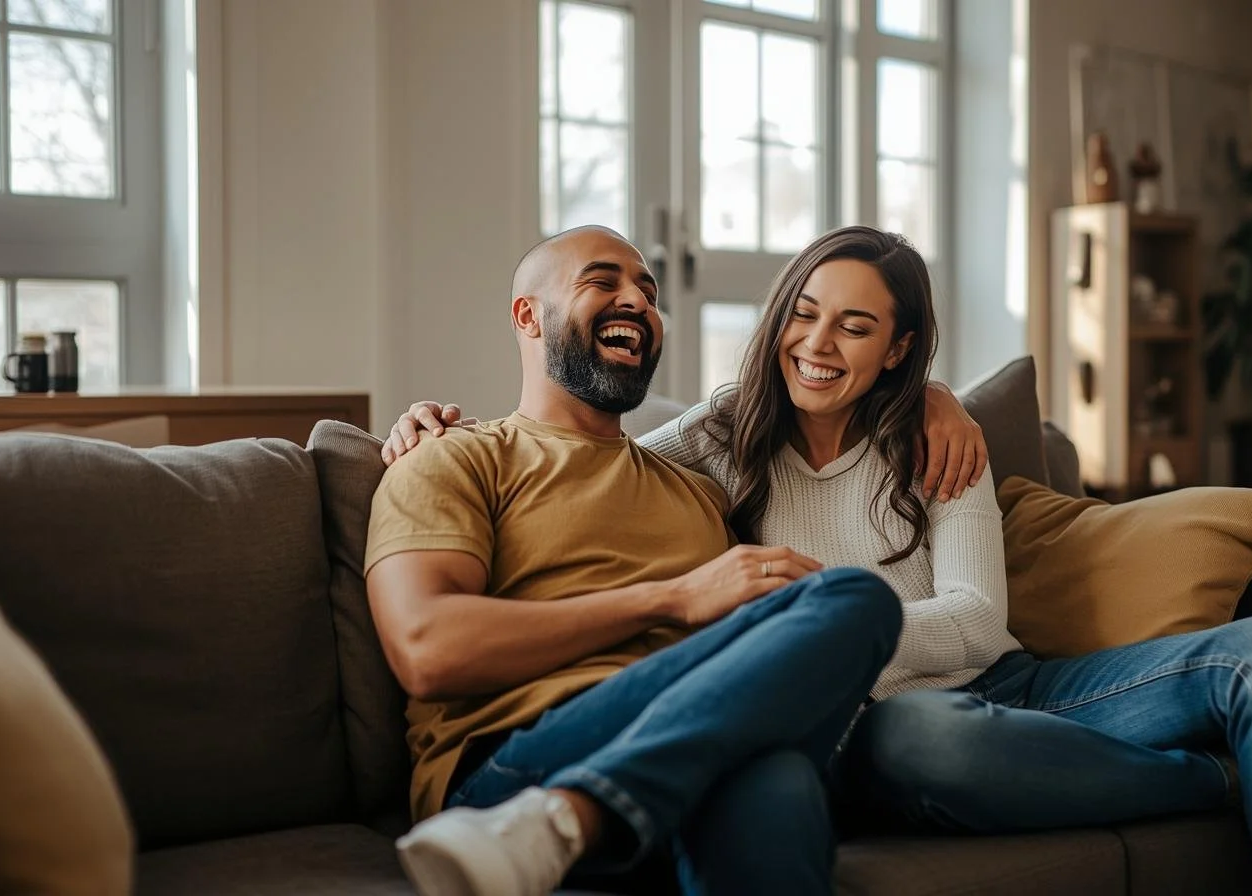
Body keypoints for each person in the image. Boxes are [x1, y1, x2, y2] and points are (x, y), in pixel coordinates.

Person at [388, 224, 1252, 892]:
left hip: (1004, 678)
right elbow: (579, 460)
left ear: (895, 347)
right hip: (888, 719)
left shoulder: (930, 439)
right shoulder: (710, 445)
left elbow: (975, 622)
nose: (819, 341)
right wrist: (427, 421)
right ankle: (1234, 780)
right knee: (878, 680)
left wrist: (937, 399)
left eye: (857, 325)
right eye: (803, 312)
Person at [364, 224, 907, 896]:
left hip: (689, 744)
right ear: (527, 315)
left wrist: (933, 400)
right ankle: (549, 815)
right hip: (514, 758)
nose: (637, 303)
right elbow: (428, 652)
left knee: (779, 773)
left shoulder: (696, 490)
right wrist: (670, 598)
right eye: (603, 281)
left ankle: (570, 821)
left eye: (648, 293)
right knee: (852, 602)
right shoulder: (454, 458)